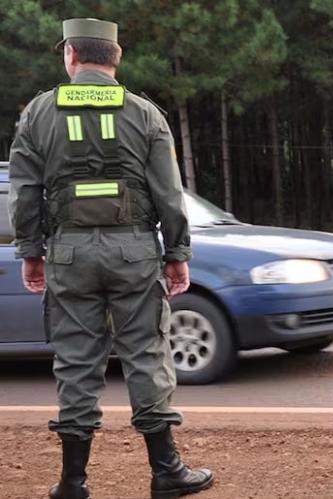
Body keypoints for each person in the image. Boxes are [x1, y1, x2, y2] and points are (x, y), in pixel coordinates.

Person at [8, 18, 213, 499]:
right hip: (134, 251)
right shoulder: (144, 113)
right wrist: (177, 252)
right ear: (114, 58)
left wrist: (31, 252)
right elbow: (169, 193)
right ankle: (166, 471)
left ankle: (72, 482)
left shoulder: (39, 112)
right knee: (145, 354)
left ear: (72, 56)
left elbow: (25, 192)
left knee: (76, 361)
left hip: (68, 253)